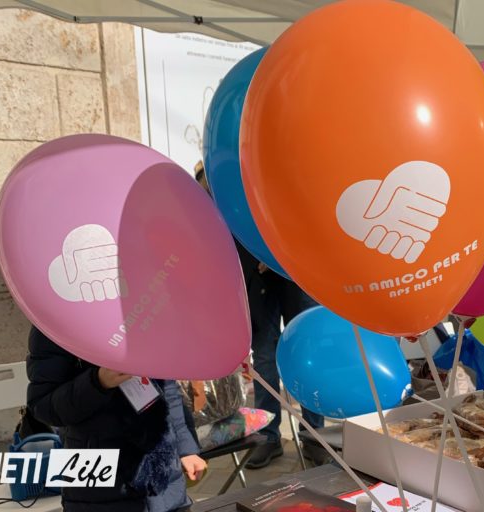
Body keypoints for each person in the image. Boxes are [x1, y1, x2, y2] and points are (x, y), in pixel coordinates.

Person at [194, 165, 324, 469]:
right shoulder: (218, 179)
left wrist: (275, 253)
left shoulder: (275, 166)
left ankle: (315, 435)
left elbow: (302, 213)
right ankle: (268, 436)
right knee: (265, 358)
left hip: (296, 272)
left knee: (308, 353)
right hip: (256, 280)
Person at [26, 326, 207, 512]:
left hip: (164, 482)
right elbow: (43, 405)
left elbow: (167, 387)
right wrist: (97, 382)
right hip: (97, 484)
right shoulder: (55, 320)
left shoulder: (145, 314)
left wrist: (186, 448)